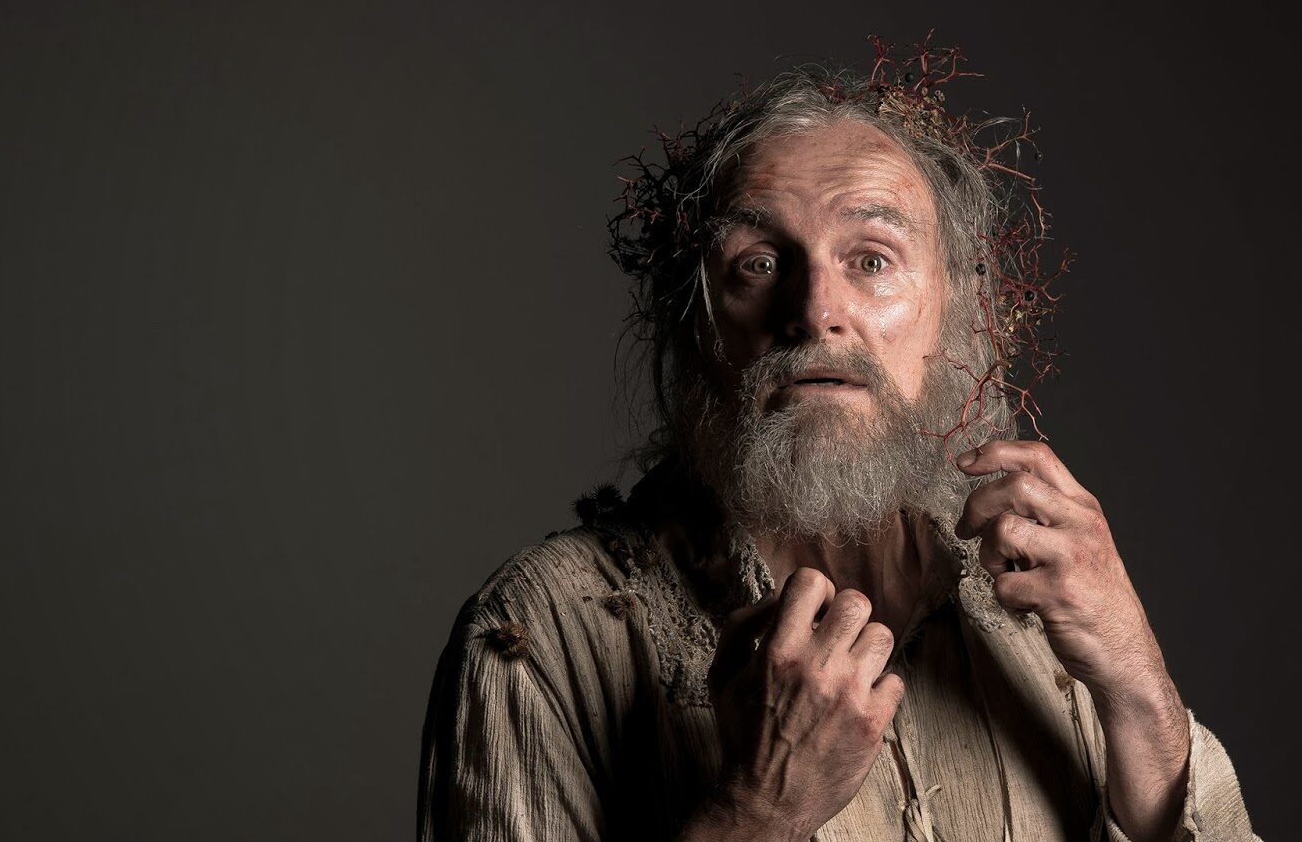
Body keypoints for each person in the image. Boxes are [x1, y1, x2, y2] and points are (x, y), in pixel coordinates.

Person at [417, 47, 1259, 842]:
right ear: (693, 326)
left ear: (959, 315)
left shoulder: (1044, 601)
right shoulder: (541, 631)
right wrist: (758, 808)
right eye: (755, 263)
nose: (817, 308)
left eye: (873, 258)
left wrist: (1139, 687)